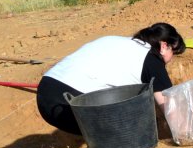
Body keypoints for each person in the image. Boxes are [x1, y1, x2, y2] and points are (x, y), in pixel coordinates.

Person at [37, 22, 185, 135]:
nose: (171, 59)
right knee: (132, 128)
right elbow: (169, 105)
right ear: (164, 46)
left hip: (45, 94)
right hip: (72, 105)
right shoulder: (152, 59)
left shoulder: (116, 41)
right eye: (174, 52)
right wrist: (187, 132)